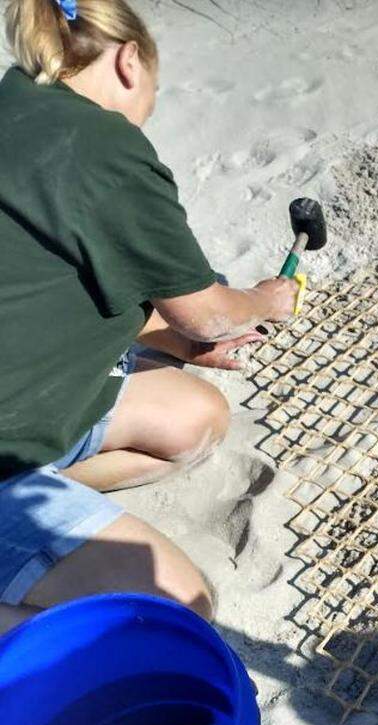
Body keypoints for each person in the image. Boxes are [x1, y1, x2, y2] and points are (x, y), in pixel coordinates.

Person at [0, 0, 298, 634]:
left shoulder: (15, 102)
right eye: (153, 95)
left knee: (196, 421)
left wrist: (180, 343)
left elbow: (58, 284)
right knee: (177, 613)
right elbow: (207, 314)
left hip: (26, 403)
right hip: (4, 445)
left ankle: (46, 501)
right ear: (130, 62)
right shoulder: (103, 145)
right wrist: (265, 301)